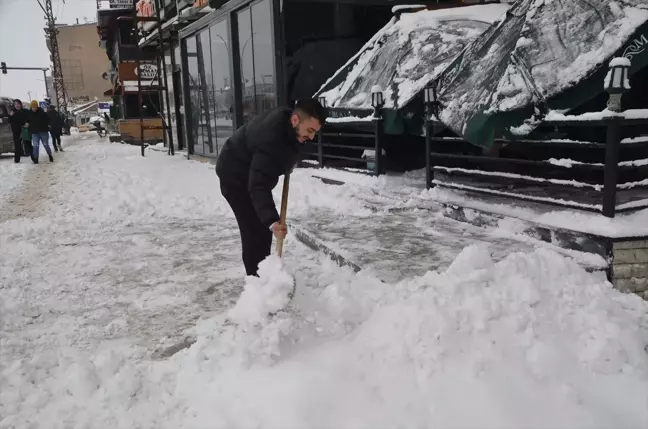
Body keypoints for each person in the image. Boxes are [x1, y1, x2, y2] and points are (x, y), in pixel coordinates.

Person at [215, 99, 327, 276]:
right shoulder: (272, 140)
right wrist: (273, 221)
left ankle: (264, 275)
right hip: (235, 176)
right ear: (296, 120)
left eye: (315, 132)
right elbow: (258, 184)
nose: (312, 137)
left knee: (262, 229)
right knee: (253, 230)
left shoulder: (288, 123)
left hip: (251, 173)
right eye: (310, 130)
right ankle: (257, 284)